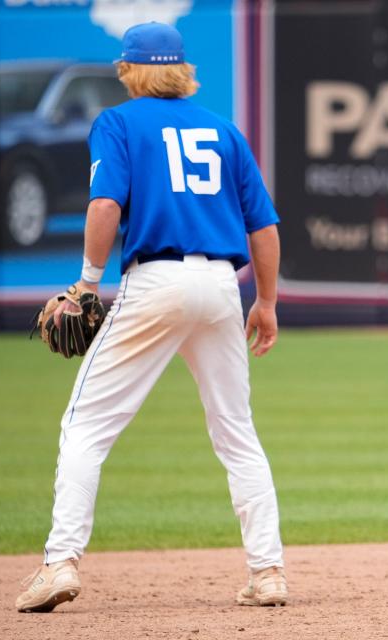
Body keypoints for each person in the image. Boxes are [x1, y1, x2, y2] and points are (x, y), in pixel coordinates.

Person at [16, 22, 287, 612]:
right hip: (221, 286)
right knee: (236, 433)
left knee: (85, 426)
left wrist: (87, 283)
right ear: (182, 69)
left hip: (156, 281)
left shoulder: (117, 122)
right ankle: (268, 572)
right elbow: (263, 228)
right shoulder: (223, 130)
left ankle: (60, 562)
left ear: (128, 71)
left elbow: (106, 202)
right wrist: (264, 302)